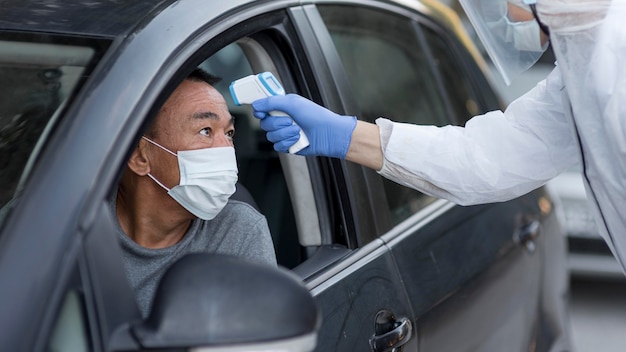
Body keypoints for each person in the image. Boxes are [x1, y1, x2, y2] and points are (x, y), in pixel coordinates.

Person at [251, 1, 626, 272]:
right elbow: (489, 158)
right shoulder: (582, 67)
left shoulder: (615, 56)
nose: (510, 11)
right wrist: (346, 135)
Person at [115, 68, 276, 316]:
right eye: (206, 131)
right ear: (139, 155)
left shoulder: (238, 231)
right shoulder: (76, 229)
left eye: (229, 133)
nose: (226, 149)